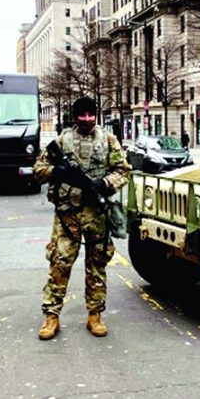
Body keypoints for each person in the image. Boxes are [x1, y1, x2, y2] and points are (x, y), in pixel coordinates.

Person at [34, 96, 131, 340]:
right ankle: (51, 316)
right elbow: (38, 169)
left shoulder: (108, 140)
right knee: (60, 264)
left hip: (96, 213)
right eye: (82, 115)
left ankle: (95, 315)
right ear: (75, 116)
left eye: (90, 114)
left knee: (97, 265)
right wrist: (57, 171)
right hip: (68, 215)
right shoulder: (62, 141)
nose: (87, 119)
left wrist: (104, 183)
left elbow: (123, 171)